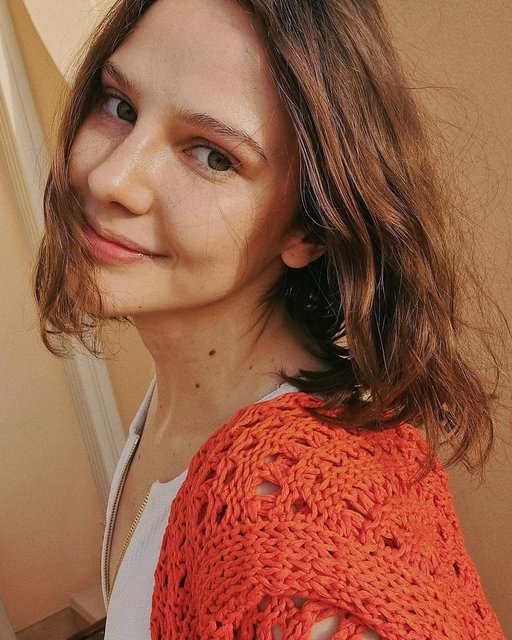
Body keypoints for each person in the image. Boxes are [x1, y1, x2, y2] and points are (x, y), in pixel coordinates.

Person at [34, 0, 507, 638]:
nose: (110, 178)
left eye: (212, 156)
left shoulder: (281, 523)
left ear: (309, 227)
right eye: (120, 106)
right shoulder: (193, 398)